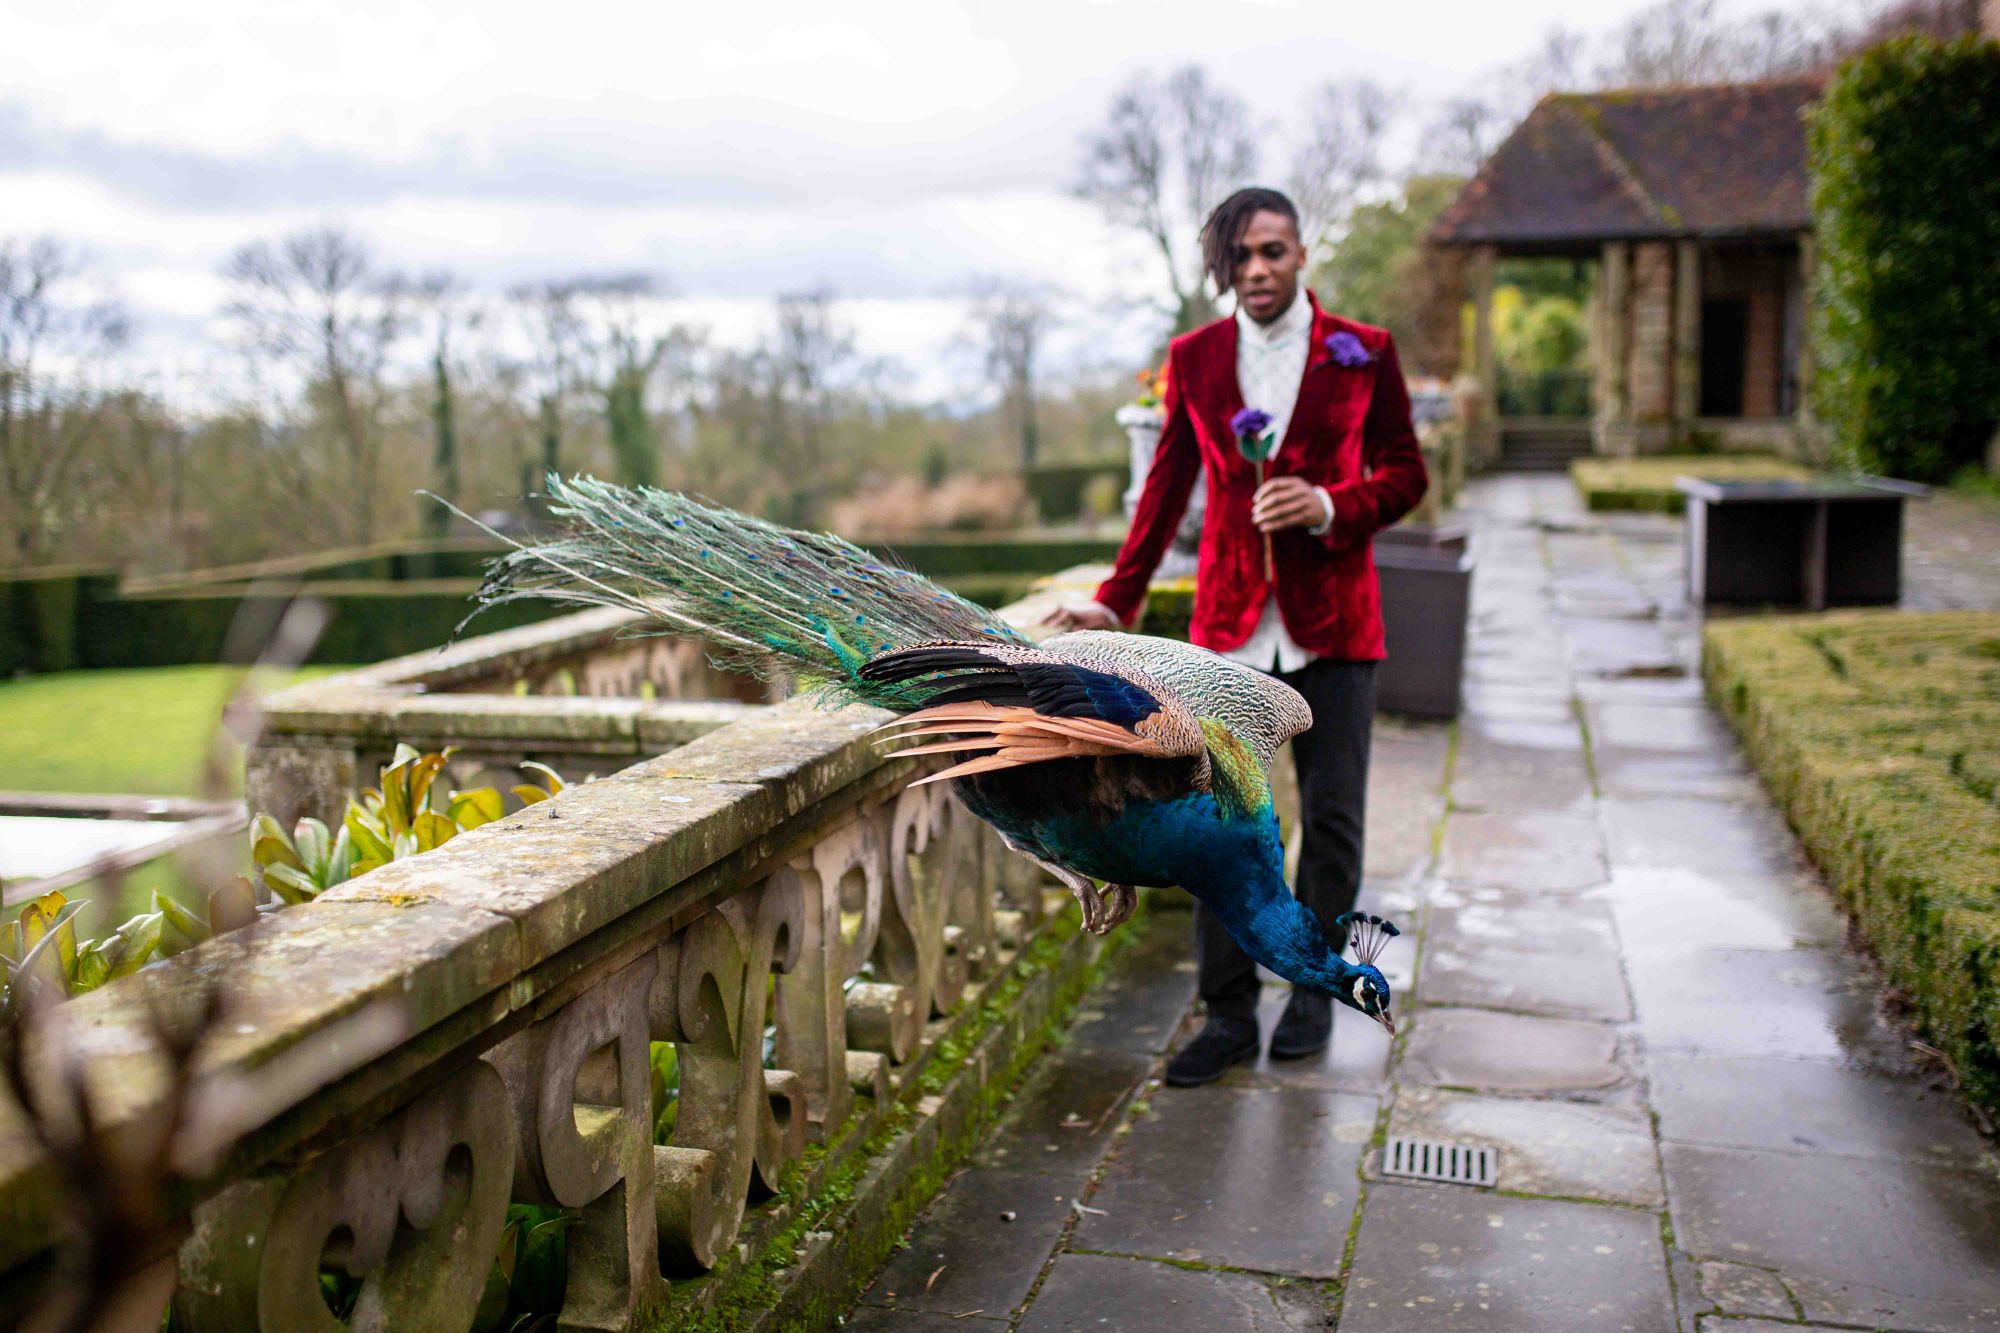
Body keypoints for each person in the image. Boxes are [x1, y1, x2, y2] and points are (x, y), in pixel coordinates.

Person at [1045, 186, 1428, 1087]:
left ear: (1301, 255)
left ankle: (1309, 995)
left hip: (1336, 625)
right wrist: (1116, 598)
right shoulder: (1196, 358)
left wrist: (1334, 504)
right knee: (1214, 827)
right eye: (1242, 256)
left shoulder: (1364, 352)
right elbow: (1166, 488)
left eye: (1275, 251)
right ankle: (1224, 1014)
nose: (1259, 270)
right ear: (1224, 268)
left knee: (1331, 820)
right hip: (1223, 637)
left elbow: (1408, 473)